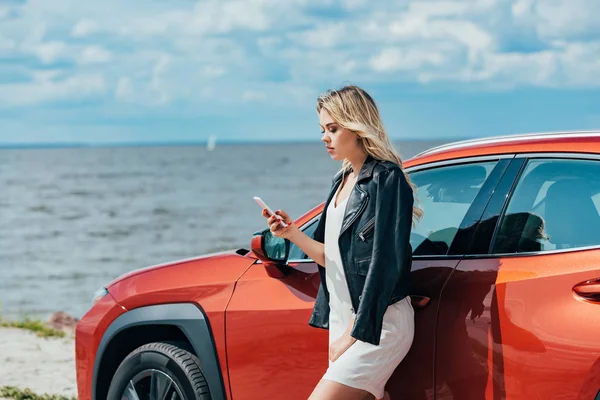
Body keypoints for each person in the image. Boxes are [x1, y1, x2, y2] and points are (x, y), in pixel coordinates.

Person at [261, 85, 422, 400]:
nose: (324, 137)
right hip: (345, 319)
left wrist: (353, 332)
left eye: (332, 129)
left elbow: (386, 263)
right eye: (322, 129)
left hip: (377, 324)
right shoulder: (342, 181)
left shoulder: (386, 179)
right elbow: (331, 257)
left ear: (357, 126)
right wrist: (292, 233)